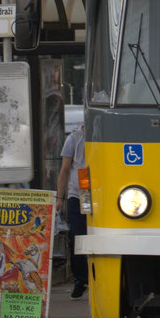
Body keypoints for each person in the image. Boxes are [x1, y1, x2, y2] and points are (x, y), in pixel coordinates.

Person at [56, 121, 88, 299]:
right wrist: (59, 198)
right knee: (76, 237)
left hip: (102, 196)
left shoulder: (106, 135)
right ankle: (80, 279)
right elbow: (64, 169)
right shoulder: (74, 139)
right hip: (79, 195)